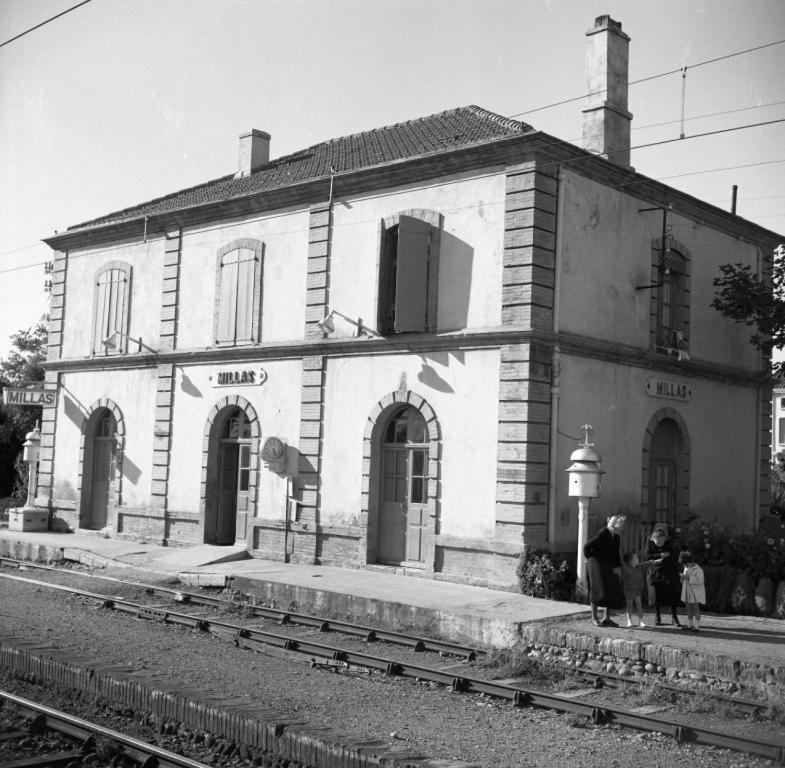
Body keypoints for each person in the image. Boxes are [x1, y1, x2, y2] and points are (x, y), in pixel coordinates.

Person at [583, 515, 626, 627]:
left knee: (612, 587)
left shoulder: (616, 537)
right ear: (613, 526)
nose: (622, 528)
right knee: (597, 588)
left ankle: (607, 618)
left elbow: (616, 554)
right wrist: (589, 559)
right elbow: (587, 546)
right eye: (620, 526)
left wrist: (618, 568)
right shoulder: (603, 533)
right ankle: (594, 618)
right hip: (595, 563)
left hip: (607, 564)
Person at [644, 527, 682, 627]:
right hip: (655, 571)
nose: (660, 544)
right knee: (657, 594)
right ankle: (657, 616)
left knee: (672, 594)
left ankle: (674, 618)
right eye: (657, 542)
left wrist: (659, 560)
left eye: (662, 541)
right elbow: (647, 557)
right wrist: (660, 555)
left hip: (669, 570)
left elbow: (673, 556)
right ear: (653, 539)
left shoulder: (669, 542)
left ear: (665, 539)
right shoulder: (649, 541)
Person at [620, 551, 652, 628]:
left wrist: (656, 561)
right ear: (631, 561)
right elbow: (622, 578)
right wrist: (619, 574)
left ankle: (641, 621)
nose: (638, 559)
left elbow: (648, 563)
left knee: (639, 605)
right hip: (629, 590)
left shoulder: (639, 566)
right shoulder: (625, 569)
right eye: (636, 558)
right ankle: (629, 621)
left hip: (638, 589)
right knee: (629, 606)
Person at [679, 550, 706, 632]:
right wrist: (682, 577)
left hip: (695, 592)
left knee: (695, 608)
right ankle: (690, 624)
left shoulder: (698, 570)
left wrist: (688, 577)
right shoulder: (686, 567)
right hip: (687, 591)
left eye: (686, 564)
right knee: (688, 607)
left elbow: (700, 581)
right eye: (685, 565)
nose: (686, 566)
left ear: (691, 561)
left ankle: (696, 627)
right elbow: (683, 580)